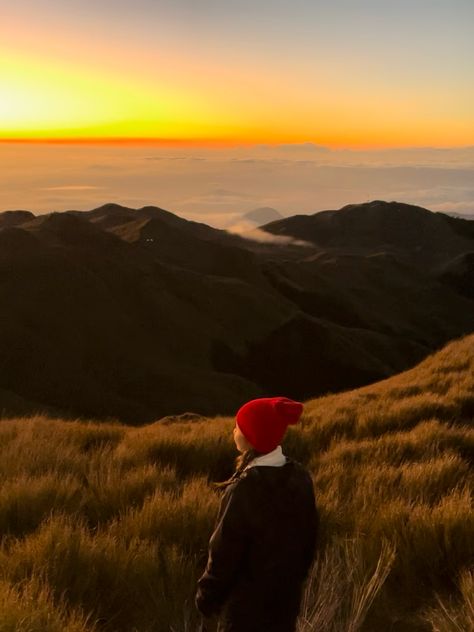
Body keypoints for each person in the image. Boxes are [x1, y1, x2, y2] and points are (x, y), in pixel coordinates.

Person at [195, 396, 319, 632]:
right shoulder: (300, 477)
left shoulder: (244, 489)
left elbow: (223, 552)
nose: (234, 430)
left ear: (252, 437)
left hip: (244, 612)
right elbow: (309, 540)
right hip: (285, 604)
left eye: (238, 426)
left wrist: (206, 597)